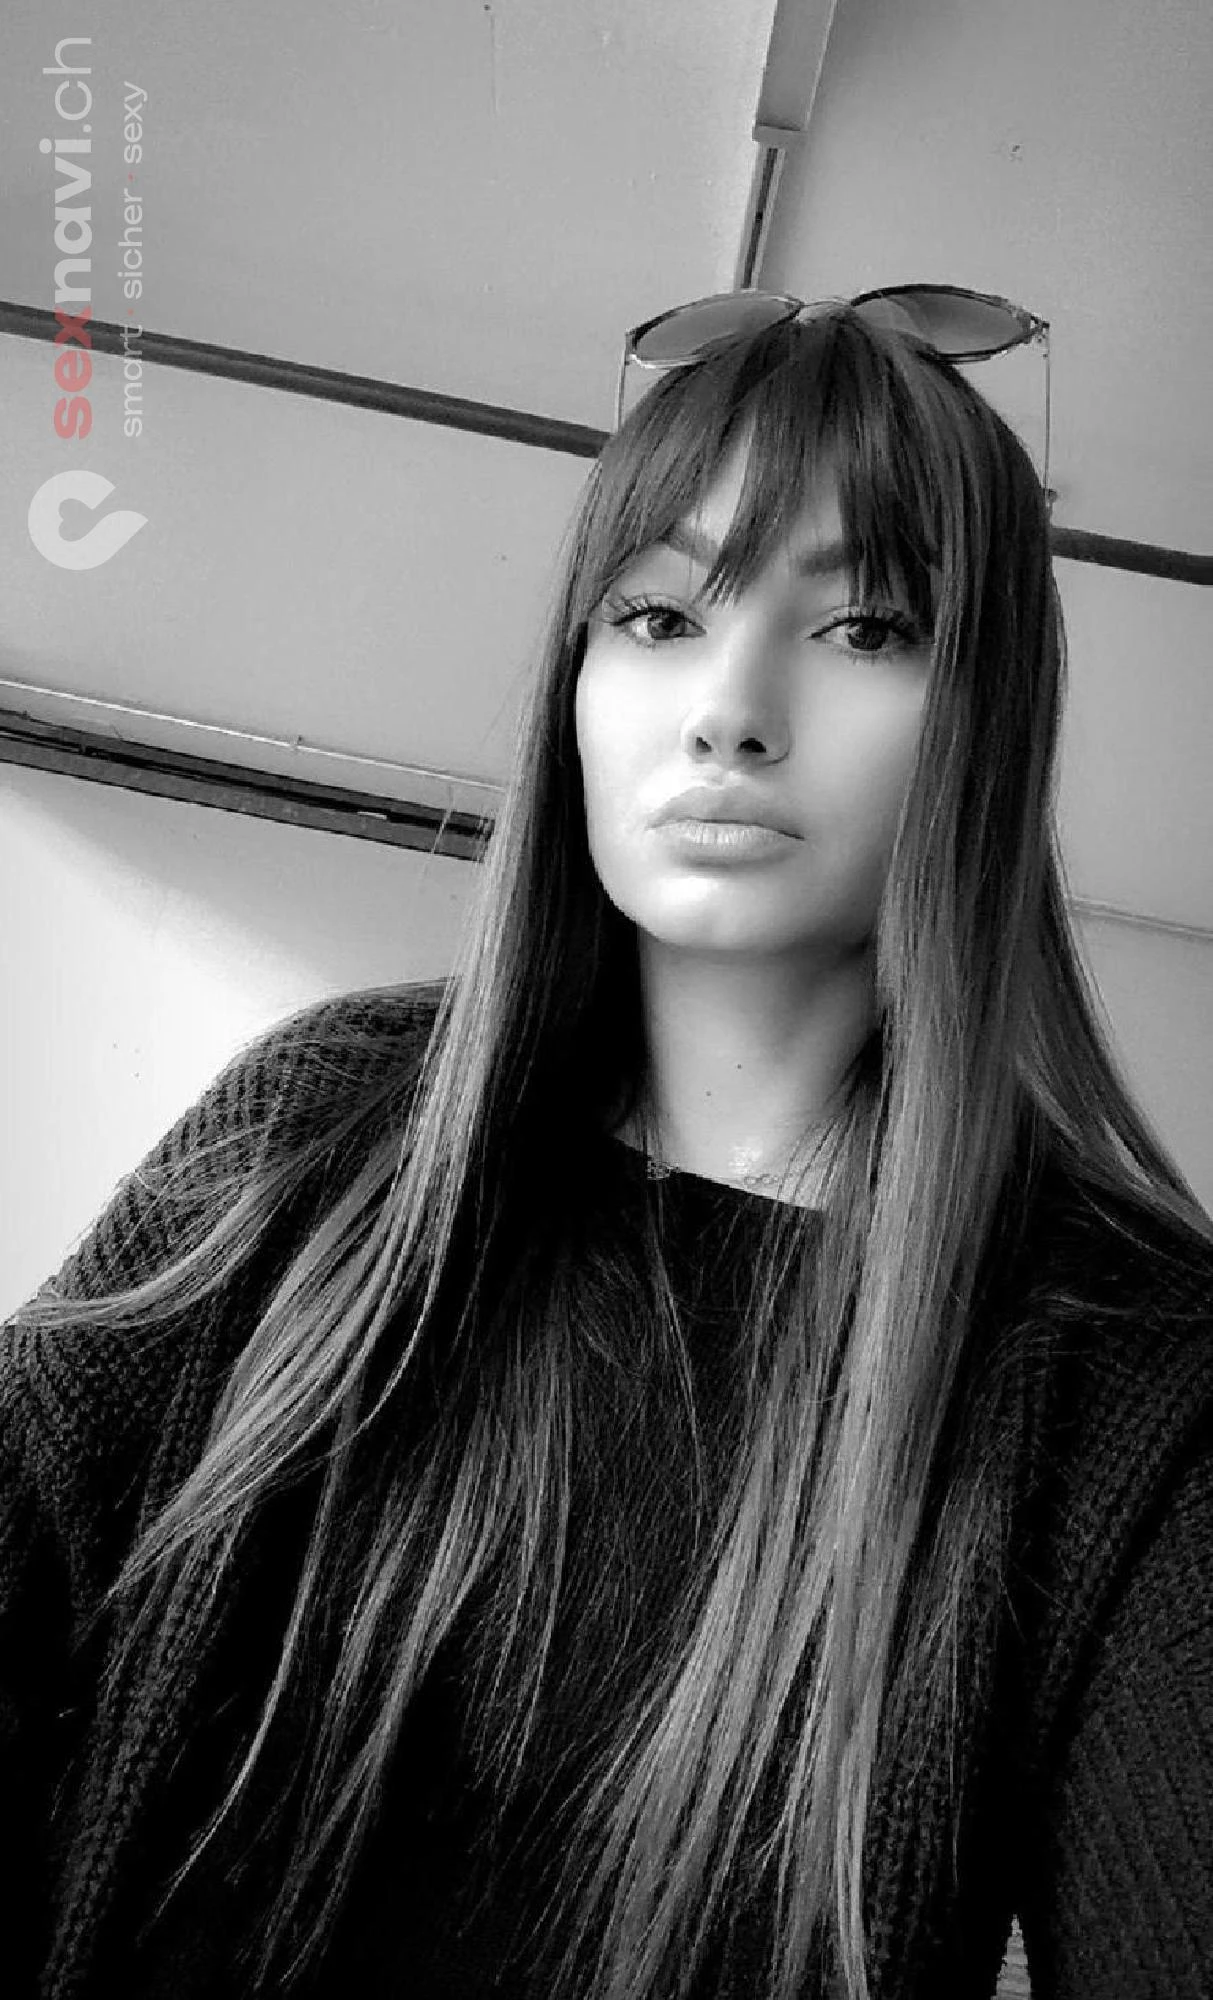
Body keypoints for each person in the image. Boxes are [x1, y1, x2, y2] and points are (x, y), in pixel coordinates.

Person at [3, 301, 1212, 2000]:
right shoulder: (319, 1131)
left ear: (989, 715)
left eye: (865, 626)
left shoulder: (1134, 1367)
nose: (731, 710)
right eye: (657, 615)